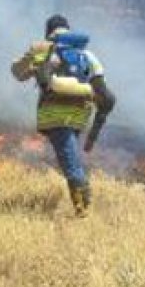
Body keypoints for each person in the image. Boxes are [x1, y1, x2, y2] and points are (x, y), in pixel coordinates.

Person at [11, 14, 116, 217]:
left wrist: (27, 62)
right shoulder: (87, 54)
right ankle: (81, 200)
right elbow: (102, 90)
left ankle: (82, 206)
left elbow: (18, 73)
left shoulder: (43, 49)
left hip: (55, 115)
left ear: (48, 31)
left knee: (69, 160)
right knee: (69, 154)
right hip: (80, 116)